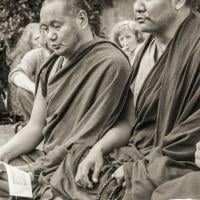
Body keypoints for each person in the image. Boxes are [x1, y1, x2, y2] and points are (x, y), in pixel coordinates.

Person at [39, 0, 200, 199]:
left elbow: (191, 136)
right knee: (74, 163)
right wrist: (99, 149)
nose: (138, 7)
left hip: (176, 161)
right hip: (140, 151)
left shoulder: (195, 46)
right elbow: (131, 123)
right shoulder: (145, 51)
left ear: (178, 1)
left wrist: (137, 169)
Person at [0, 0, 131, 199]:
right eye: (44, 28)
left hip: (83, 161)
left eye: (57, 26)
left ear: (81, 19)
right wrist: (3, 153)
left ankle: (36, 187)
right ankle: (34, 187)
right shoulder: (49, 67)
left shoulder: (112, 62)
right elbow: (35, 128)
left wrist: (38, 168)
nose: (50, 36)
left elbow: (118, 128)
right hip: (49, 159)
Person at [9, 27, 53, 123]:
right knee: (22, 90)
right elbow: (15, 74)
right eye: (36, 38)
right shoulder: (36, 54)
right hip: (42, 107)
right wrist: (35, 88)